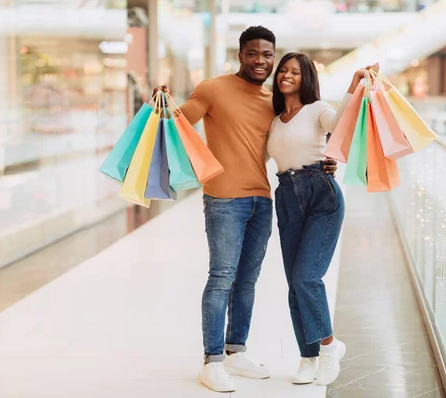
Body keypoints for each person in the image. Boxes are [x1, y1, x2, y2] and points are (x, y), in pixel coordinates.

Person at [152, 26, 337, 393]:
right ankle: (212, 361)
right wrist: (160, 104)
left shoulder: (273, 102)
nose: (261, 61)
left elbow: (301, 132)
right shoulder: (212, 88)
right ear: (240, 55)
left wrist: (326, 160)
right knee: (221, 276)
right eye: (253, 54)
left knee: (247, 280)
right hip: (223, 198)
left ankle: (235, 351)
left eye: (268, 55)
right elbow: (178, 122)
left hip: (263, 199)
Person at [267, 52, 378, 386]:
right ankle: (307, 356)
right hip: (287, 196)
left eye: (295, 72)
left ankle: (329, 347)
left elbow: (339, 124)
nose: (286, 75)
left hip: (320, 195)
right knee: (294, 286)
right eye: (283, 70)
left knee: (306, 278)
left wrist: (354, 83)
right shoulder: (274, 118)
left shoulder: (317, 110)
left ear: (307, 78)